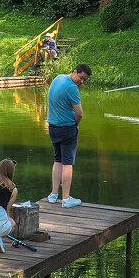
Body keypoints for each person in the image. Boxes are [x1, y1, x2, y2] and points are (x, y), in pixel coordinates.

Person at [46, 63, 91, 208]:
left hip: (52, 128)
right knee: (67, 164)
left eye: (84, 80)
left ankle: (53, 195)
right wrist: (76, 124)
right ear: (75, 71)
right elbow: (79, 113)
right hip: (66, 129)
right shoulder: (72, 88)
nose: (81, 82)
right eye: (81, 78)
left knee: (57, 160)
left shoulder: (58, 78)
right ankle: (66, 198)